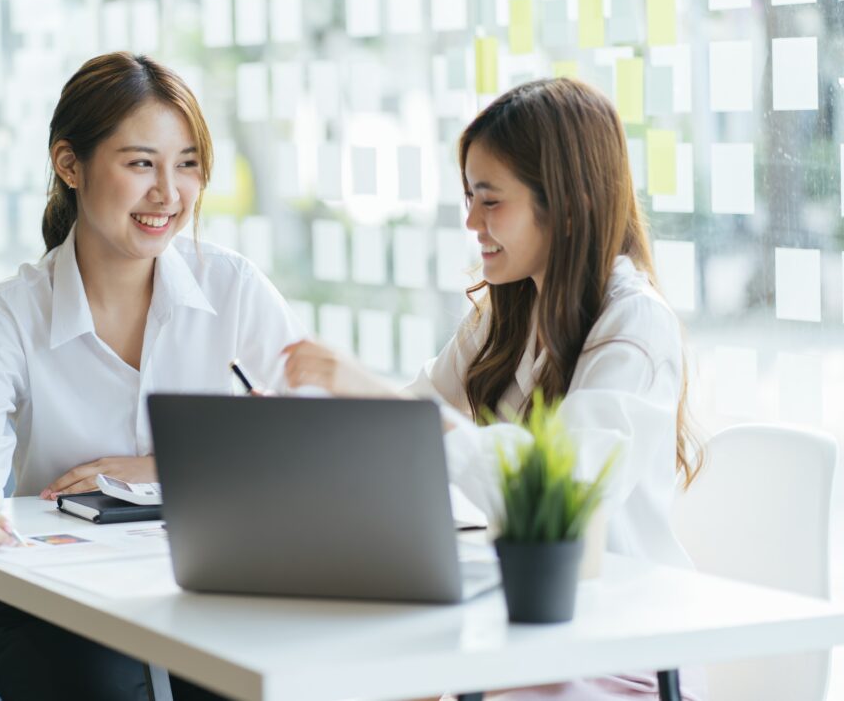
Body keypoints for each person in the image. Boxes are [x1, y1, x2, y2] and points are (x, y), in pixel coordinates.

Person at [281, 78, 705, 700]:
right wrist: (296, 429)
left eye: (491, 201)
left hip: (622, 651)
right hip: (529, 632)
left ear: (568, 205)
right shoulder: (505, 314)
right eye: (469, 198)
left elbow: (555, 496)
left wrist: (365, 390)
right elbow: (413, 414)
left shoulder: (633, 321)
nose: (471, 221)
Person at [0, 52, 303, 700]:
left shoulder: (233, 289)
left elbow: (316, 443)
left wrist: (158, 467)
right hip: (57, 612)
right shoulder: (9, 314)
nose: (168, 194)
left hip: (210, 596)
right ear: (70, 165)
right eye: (141, 163)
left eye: (187, 164)